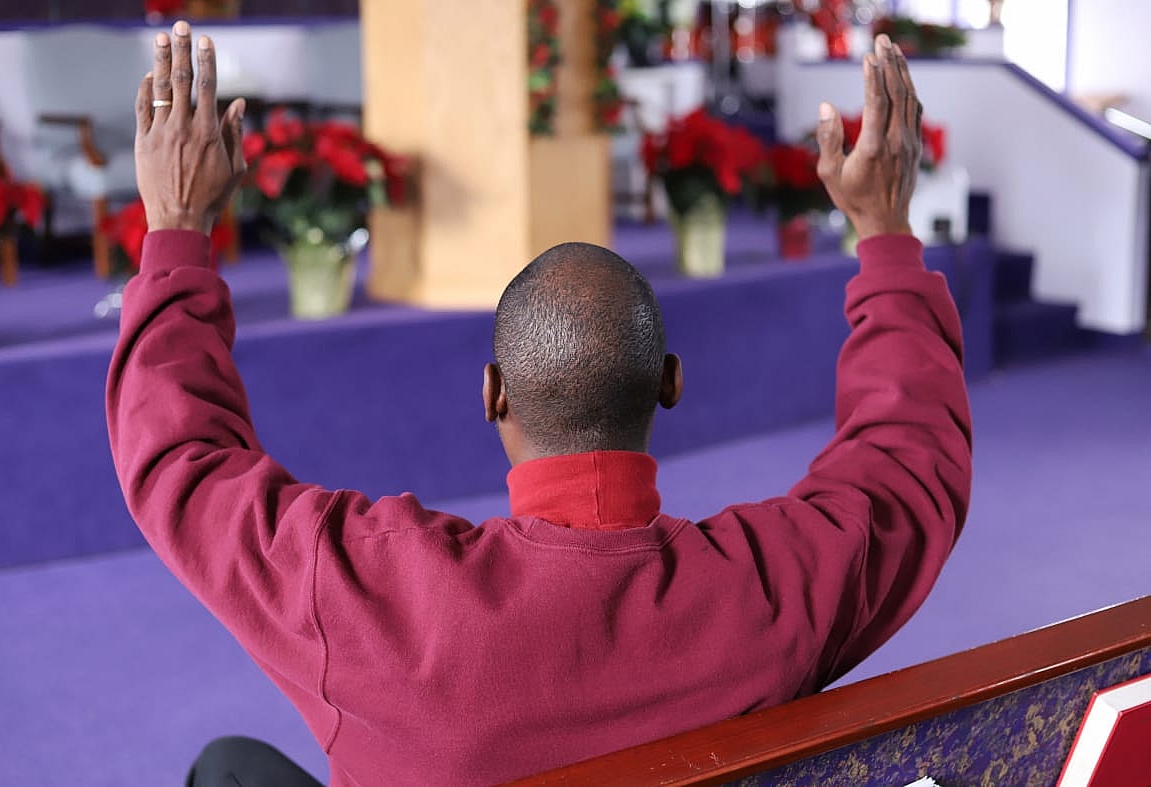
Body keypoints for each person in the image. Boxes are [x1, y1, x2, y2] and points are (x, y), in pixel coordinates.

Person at [107, 22, 972, 787]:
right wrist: (884, 234)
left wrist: (177, 222)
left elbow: (182, 463)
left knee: (226, 765)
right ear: (670, 383)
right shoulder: (769, 592)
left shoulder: (366, 593)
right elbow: (907, 463)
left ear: (492, 396)